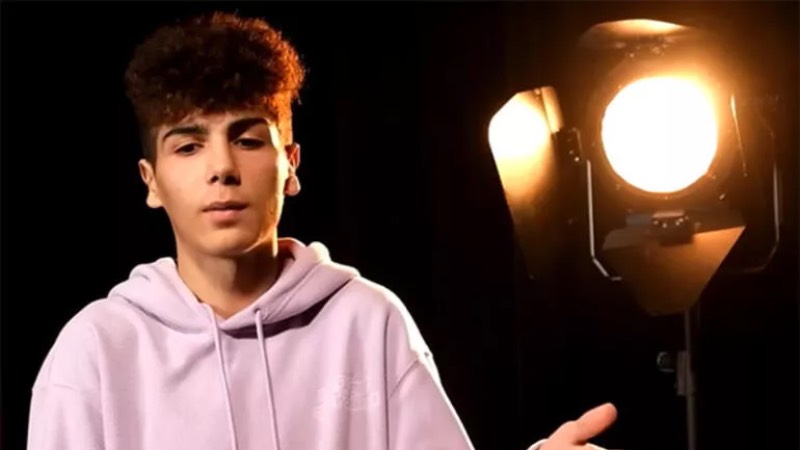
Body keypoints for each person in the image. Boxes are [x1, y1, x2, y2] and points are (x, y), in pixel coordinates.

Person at [26, 11, 617, 450]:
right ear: (151, 181)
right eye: (188, 146)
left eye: (248, 139)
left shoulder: (368, 322)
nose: (222, 168)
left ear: (291, 166)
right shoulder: (94, 350)